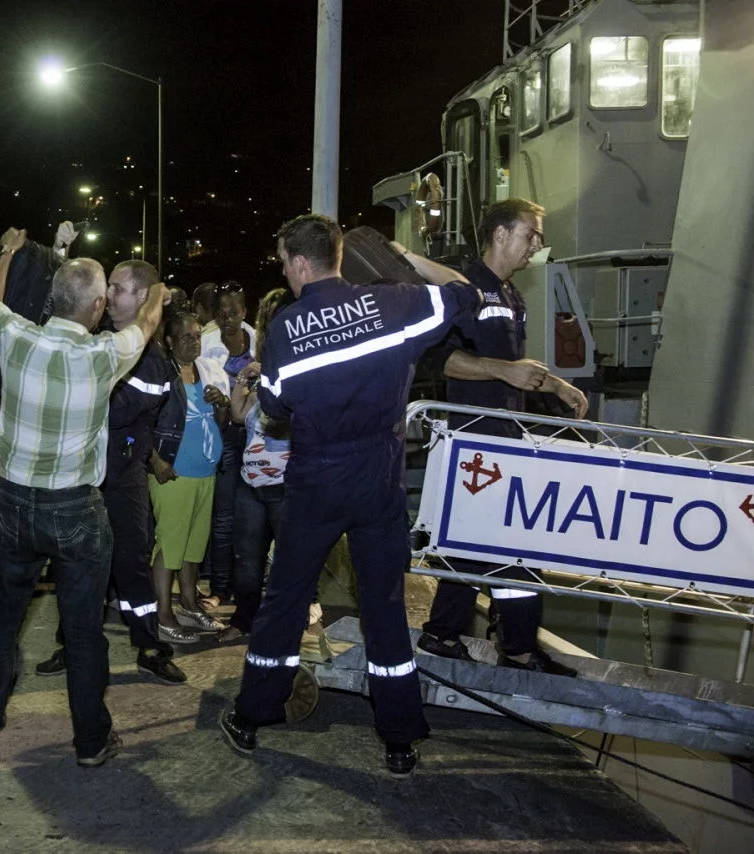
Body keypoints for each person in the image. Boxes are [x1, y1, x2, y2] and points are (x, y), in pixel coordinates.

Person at [218, 213, 483, 776]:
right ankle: (399, 739)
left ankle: (252, 715)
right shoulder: (395, 304)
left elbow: (277, 408)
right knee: (384, 606)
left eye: (285, 263)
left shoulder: (287, 329)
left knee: (286, 599)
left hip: (317, 482)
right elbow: (466, 295)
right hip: (380, 480)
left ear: (299, 262)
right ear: (339, 254)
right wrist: (407, 258)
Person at [0, 226, 168, 769]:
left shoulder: (15, 337)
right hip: (74, 510)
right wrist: (157, 294)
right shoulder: (104, 355)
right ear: (100, 305)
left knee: (1, 621)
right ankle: (91, 741)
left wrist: (7, 253)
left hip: (11, 505)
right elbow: (147, 326)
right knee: (83, 633)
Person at [418, 198, 587, 676]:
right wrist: (505, 371)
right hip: (473, 441)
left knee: (474, 543)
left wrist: (553, 384)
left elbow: (516, 372)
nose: (537, 244)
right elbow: (440, 361)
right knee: (511, 544)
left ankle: (446, 633)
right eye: (530, 233)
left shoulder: (513, 298)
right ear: (499, 234)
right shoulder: (463, 290)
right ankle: (514, 646)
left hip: (503, 440)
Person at [35, 258, 187, 685]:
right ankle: (72, 644)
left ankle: (150, 647)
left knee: (132, 565)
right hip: (84, 480)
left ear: (143, 297)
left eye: (118, 289)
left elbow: (115, 410)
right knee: (77, 567)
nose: (110, 296)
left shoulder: (151, 361)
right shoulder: (99, 342)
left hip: (122, 481)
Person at [217, 287, 295, 644]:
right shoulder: (261, 370)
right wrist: (244, 379)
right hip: (251, 483)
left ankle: (288, 622)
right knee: (247, 562)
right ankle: (243, 620)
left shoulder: (297, 371)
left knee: (290, 561)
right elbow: (237, 415)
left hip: (285, 485)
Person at [147, 309, 229, 642]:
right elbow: (139, 423)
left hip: (205, 471)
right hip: (174, 474)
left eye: (197, 336)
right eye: (185, 337)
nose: (194, 342)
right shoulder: (161, 374)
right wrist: (154, 461)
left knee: (194, 548)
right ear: (169, 341)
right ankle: (163, 616)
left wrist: (221, 403)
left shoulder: (205, 370)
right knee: (171, 544)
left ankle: (190, 604)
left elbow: (219, 423)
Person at [198, 280, 257, 612]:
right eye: (222, 313)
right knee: (223, 516)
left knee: (251, 518)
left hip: (255, 438)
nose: (228, 319)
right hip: (222, 437)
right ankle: (219, 587)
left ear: (244, 311)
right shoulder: (206, 342)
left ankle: (247, 583)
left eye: (233, 312)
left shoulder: (258, 339)